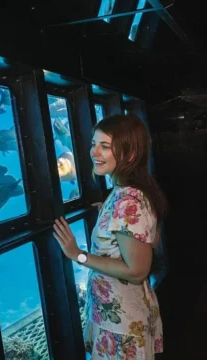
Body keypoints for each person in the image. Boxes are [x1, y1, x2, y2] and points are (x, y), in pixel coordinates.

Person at [53, 114, 168, 360]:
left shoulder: (127, 201)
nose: (94, 152)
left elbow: (138, 269)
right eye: (93, 144)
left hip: (122, 323)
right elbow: (150, 240)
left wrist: (78, 255)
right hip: (126, 313)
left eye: (105, 146)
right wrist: (111, 221)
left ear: (129, 153)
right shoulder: (131, 192)